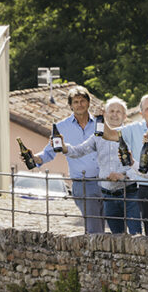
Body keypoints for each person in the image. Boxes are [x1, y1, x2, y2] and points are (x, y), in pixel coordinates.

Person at [61, 97, 140, 234]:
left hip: (130, 194)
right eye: (111, 111)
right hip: (108, 196)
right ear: (105, 115)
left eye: (118, 111)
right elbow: (80, 150)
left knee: (136, 235)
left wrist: (124, 176)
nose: (114, 114)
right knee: (116, 236)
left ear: (125, 116)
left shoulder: (131, 135)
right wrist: (63, 147)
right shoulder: (98, 136)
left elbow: (140, 165)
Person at [96, 94, 148, 235]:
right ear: (141, 113)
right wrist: (101, 119)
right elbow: (110, 135)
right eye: (147, 109)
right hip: (146, 189)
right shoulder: (134, 129)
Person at [32, 86, 101, 225]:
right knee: (94, 225)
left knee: (115, 225)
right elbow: (49, 152)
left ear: (88, 103)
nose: (80, 104)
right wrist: (35, 159)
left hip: (107, 182)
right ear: (70, 105)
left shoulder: (100, 124)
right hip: (83, 184)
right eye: (76, 102)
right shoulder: (61, 127)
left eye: (82, 101)